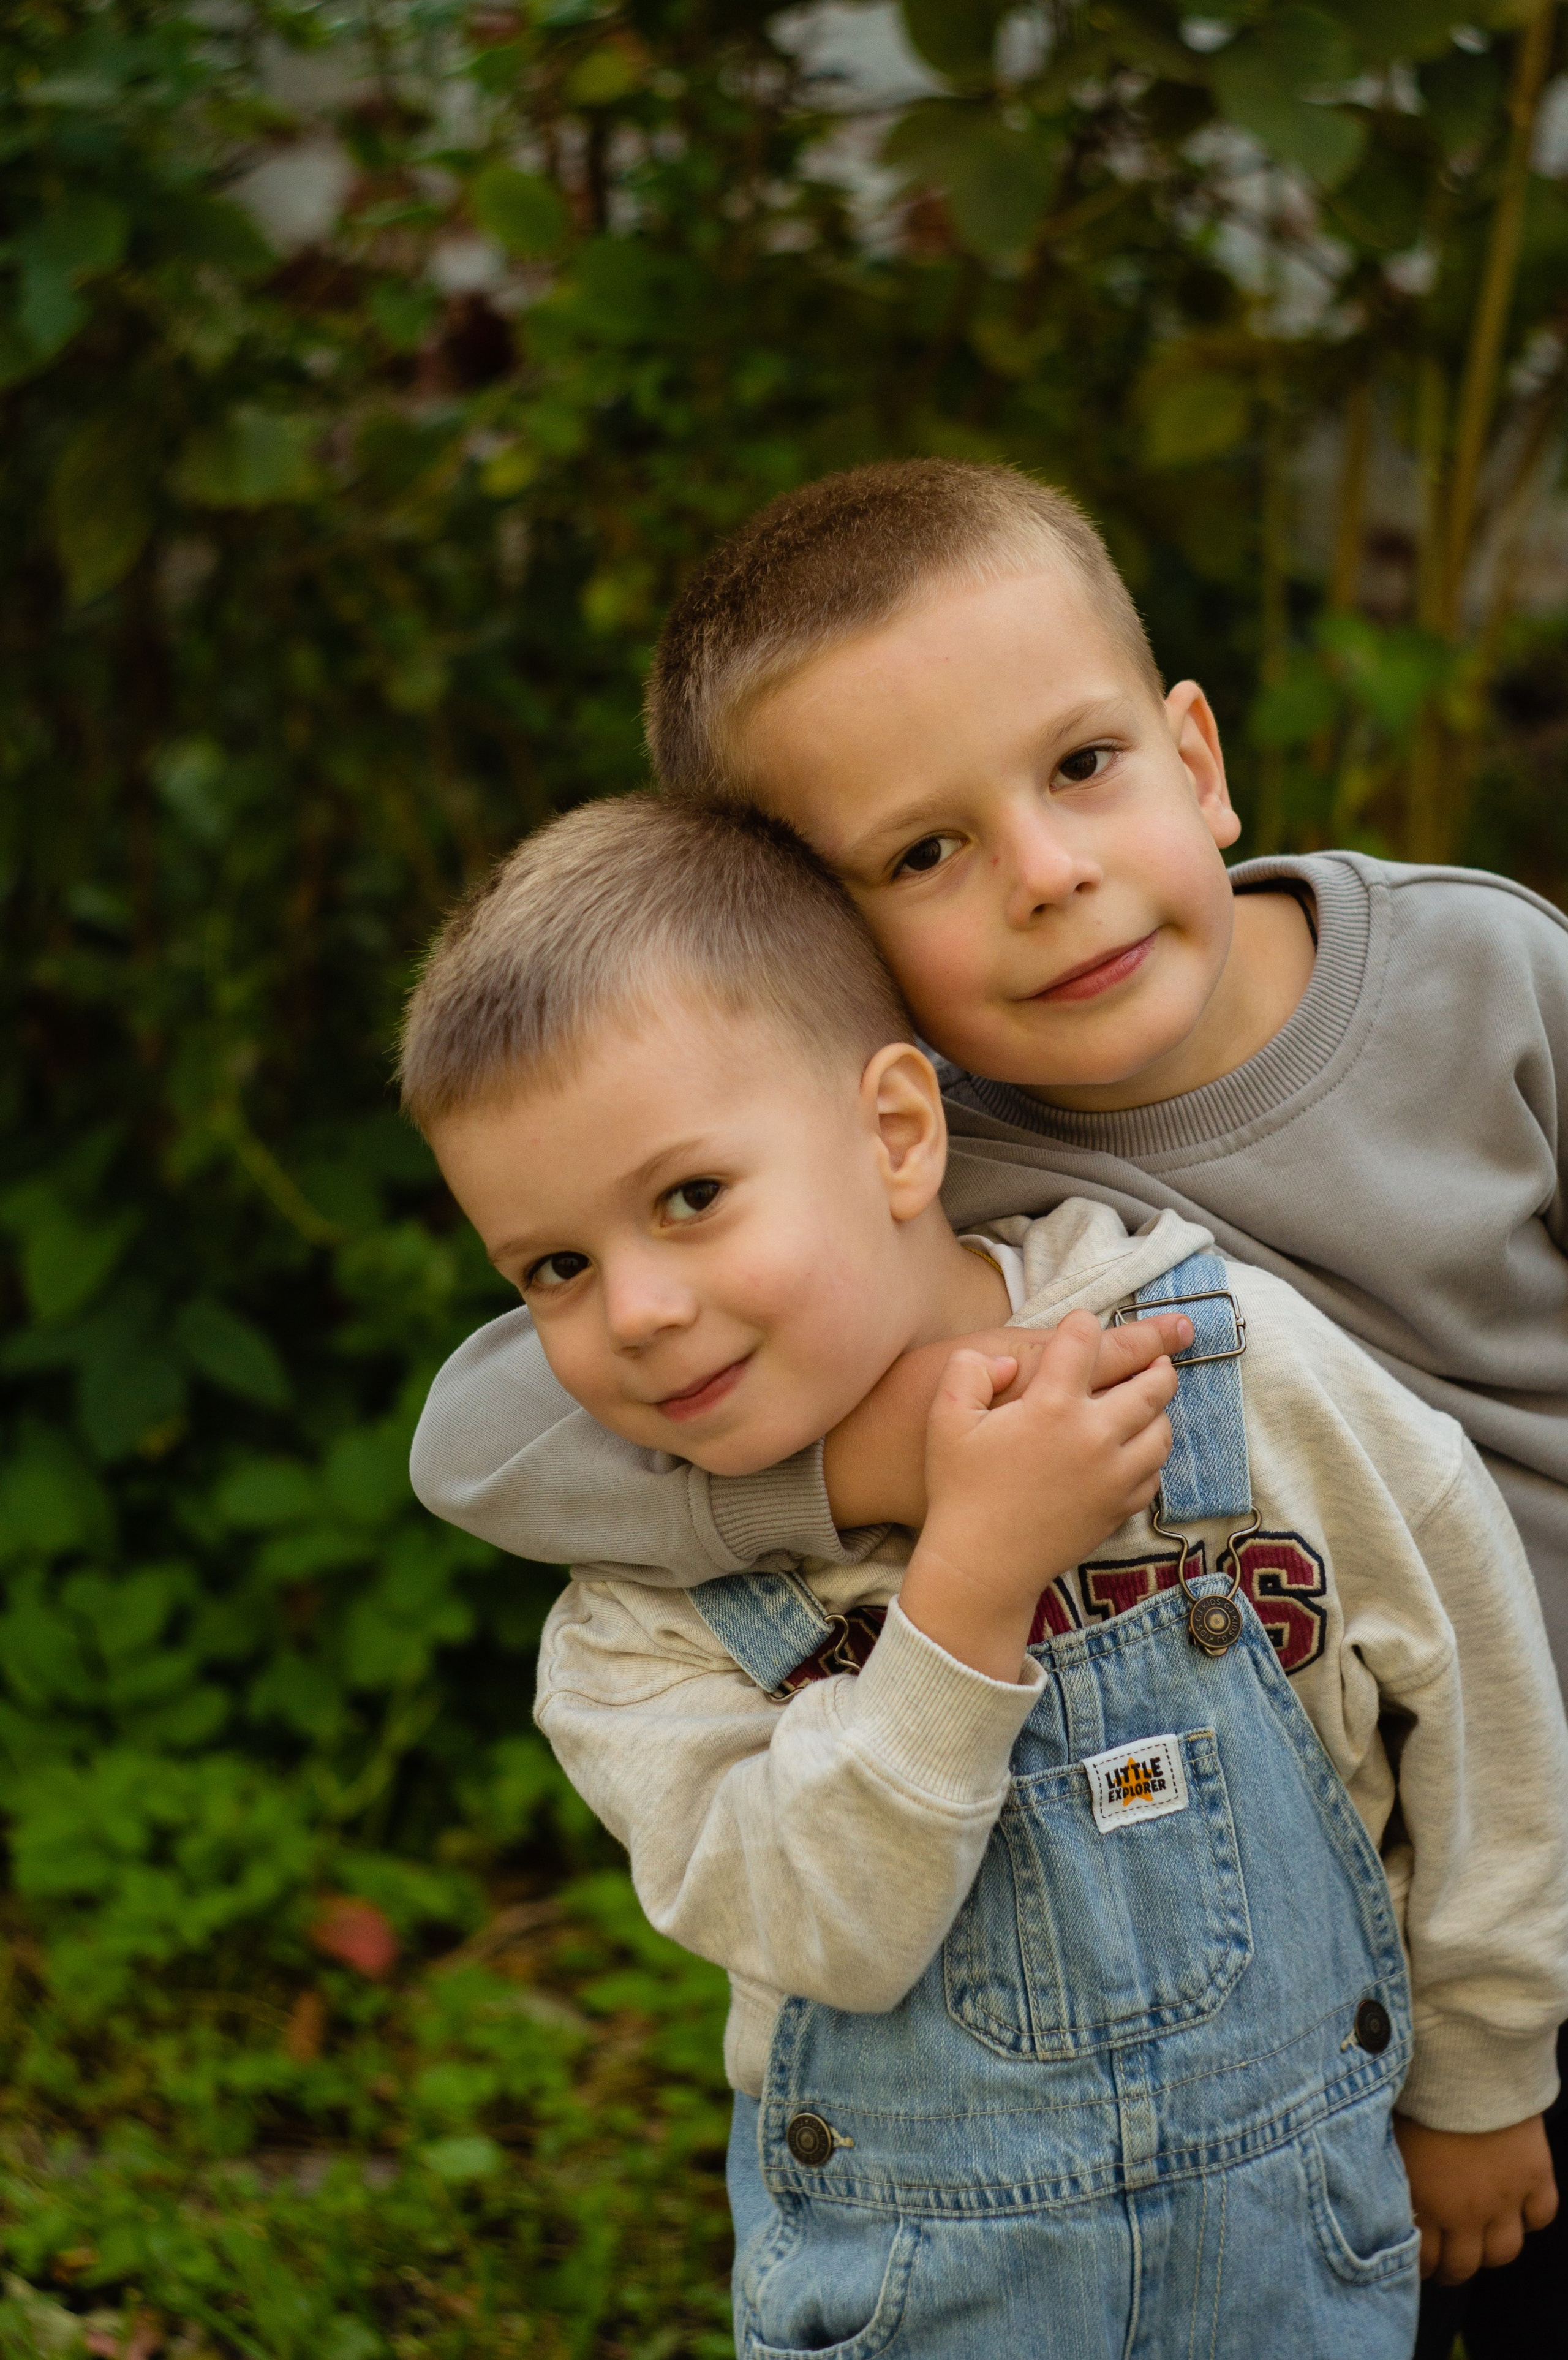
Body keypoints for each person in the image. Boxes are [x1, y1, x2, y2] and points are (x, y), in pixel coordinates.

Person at [412, 458, 1568, 2347]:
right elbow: (485, 1440)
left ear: (1197, 757)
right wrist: (903, 1442)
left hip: (1534, 1806)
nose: (1045, 871)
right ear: (857, 973)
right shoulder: (946, 1175)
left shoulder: (1486, 975)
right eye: (924, 853)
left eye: (1084, 766)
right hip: (1338, 1939)